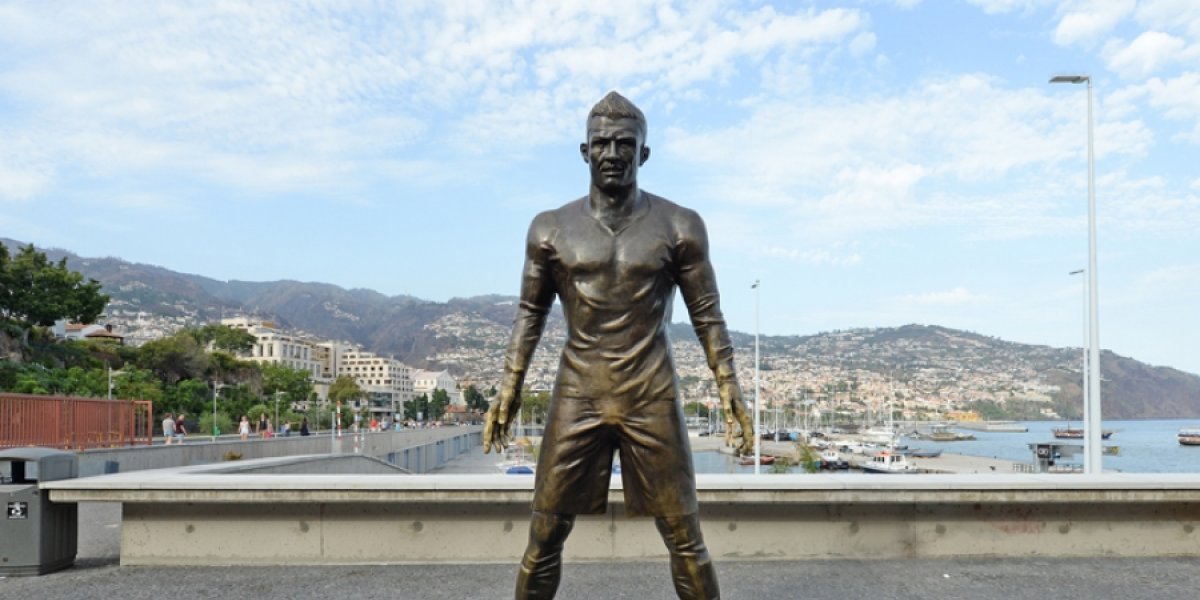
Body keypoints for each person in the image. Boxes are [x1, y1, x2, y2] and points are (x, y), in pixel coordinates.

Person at [484, 91, 754, 600]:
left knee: (685, 537)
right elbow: (530, 314)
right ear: (584, 152)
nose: (612, 154)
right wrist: (508, 389)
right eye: (601, 143)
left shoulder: (680, 226)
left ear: (643, 154)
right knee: (544, 534)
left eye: (624, 144)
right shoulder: (550, 228)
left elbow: (708, 316)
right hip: (577, 394)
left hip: (650, 394)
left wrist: (729, 388)